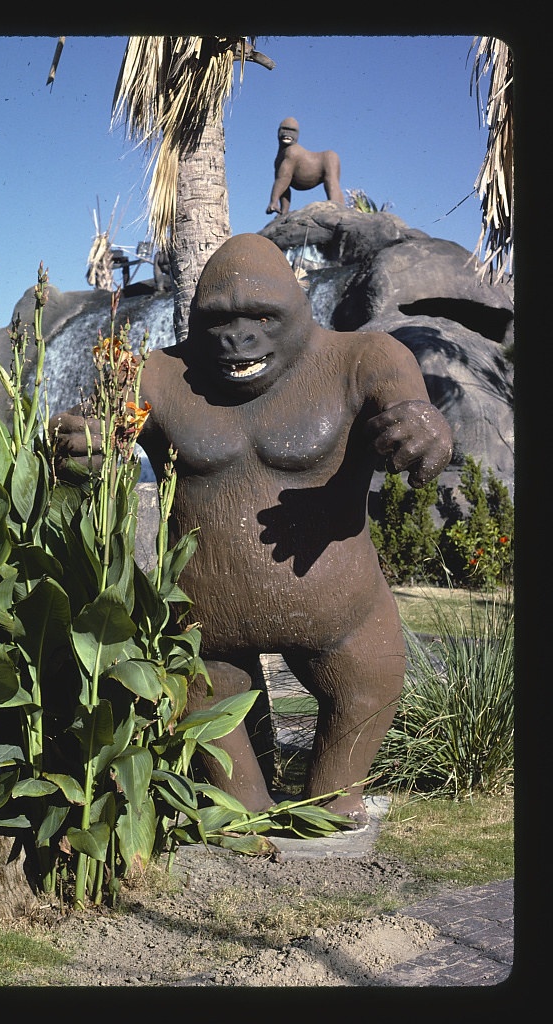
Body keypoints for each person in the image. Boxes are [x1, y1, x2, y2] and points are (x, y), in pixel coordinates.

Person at [51, 233, 452, 826]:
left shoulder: (364, 358)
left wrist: (423, 428)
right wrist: (79, 443)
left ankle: (333, 801)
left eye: (263, 317)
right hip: (203, 635)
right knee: (239, 814)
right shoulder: (157, 375)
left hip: (345, 620)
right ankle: (245, 815)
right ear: (195, 319)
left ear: (300, 309)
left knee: (337, 798)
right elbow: (94, 431)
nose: (238, 337)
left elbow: (411, 408)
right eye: (218, 320)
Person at [267, 117, 345, 215]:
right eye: (284, 129)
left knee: (332, 182)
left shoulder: (292, 152)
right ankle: (284, 211)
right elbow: (284, 186)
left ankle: (337, 209)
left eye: (292, 131)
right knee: (282, 185)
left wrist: (273, 201)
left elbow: (284, 178)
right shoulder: (279, 159)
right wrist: (283, 212)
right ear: (278, 132)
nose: (287, 133)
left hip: (327, 161)